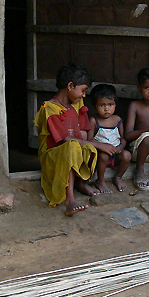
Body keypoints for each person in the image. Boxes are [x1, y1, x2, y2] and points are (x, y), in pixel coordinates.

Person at [33, 63, 103, 216]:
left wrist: (92, 144)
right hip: (54, 157)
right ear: (70, 86)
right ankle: (70, 199)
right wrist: (98, 143)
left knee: (88, 148)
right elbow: (65, 139)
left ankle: (81, 183)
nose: (84, 95)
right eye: (83, 90)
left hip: (72, 150)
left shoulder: (77, 104)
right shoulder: (49, 108)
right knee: (72, 146)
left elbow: (84, 133)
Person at [88, 84, 132, 193]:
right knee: (103, 156)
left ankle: (118, 177)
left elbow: (123, 138)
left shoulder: (117, 120)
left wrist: (121, 146)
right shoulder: (94, 121)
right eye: (102, 105)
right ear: (94, 106)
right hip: (100, 156)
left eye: (110, 104)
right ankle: (100, 180)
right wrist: (102, 147)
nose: (107, 109)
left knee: (127, 155)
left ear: (115, 104)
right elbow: (89, 141)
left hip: (116, 155)